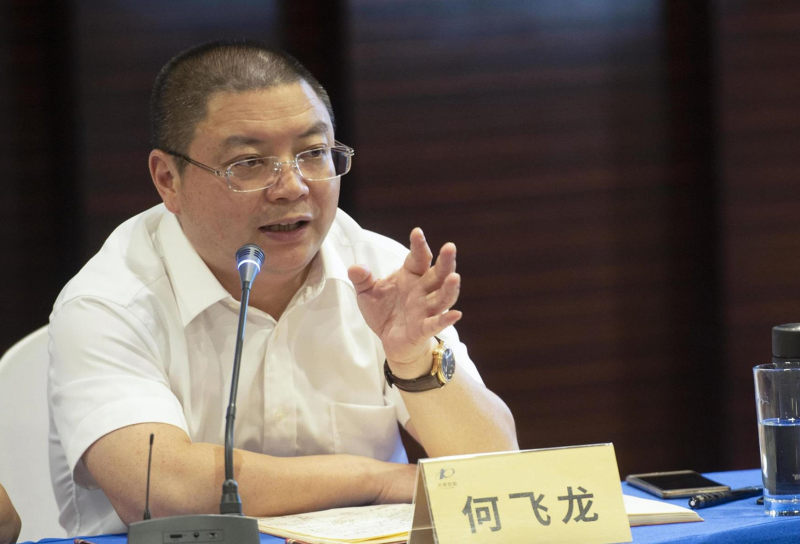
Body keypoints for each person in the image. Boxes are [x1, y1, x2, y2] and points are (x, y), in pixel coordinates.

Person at [48, 40, 518, 535]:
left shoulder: (378, 273)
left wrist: (412, 361)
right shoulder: (107, 303)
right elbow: (162, 490)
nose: (292, 187)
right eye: (249, 163)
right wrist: (378, 481)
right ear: (168, 179)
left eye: (313, 154)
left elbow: (496, 469)